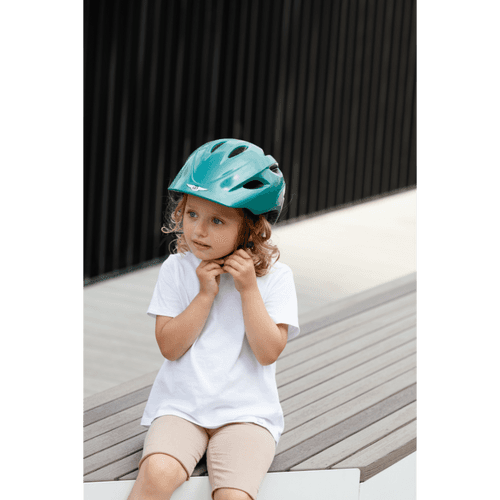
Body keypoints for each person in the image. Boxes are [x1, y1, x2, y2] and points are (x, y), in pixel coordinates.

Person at [127, 139, 300, 500]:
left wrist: (248, 290)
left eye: (217, 220)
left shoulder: (276, 278)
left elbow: (269, 352)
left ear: (252, 228)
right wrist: (205, 295)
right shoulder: (176, 269)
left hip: (247, 416)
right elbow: (170, 347)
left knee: (234, 496)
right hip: (181, 409)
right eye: (192, 214)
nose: (199, 231)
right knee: (156, 474)